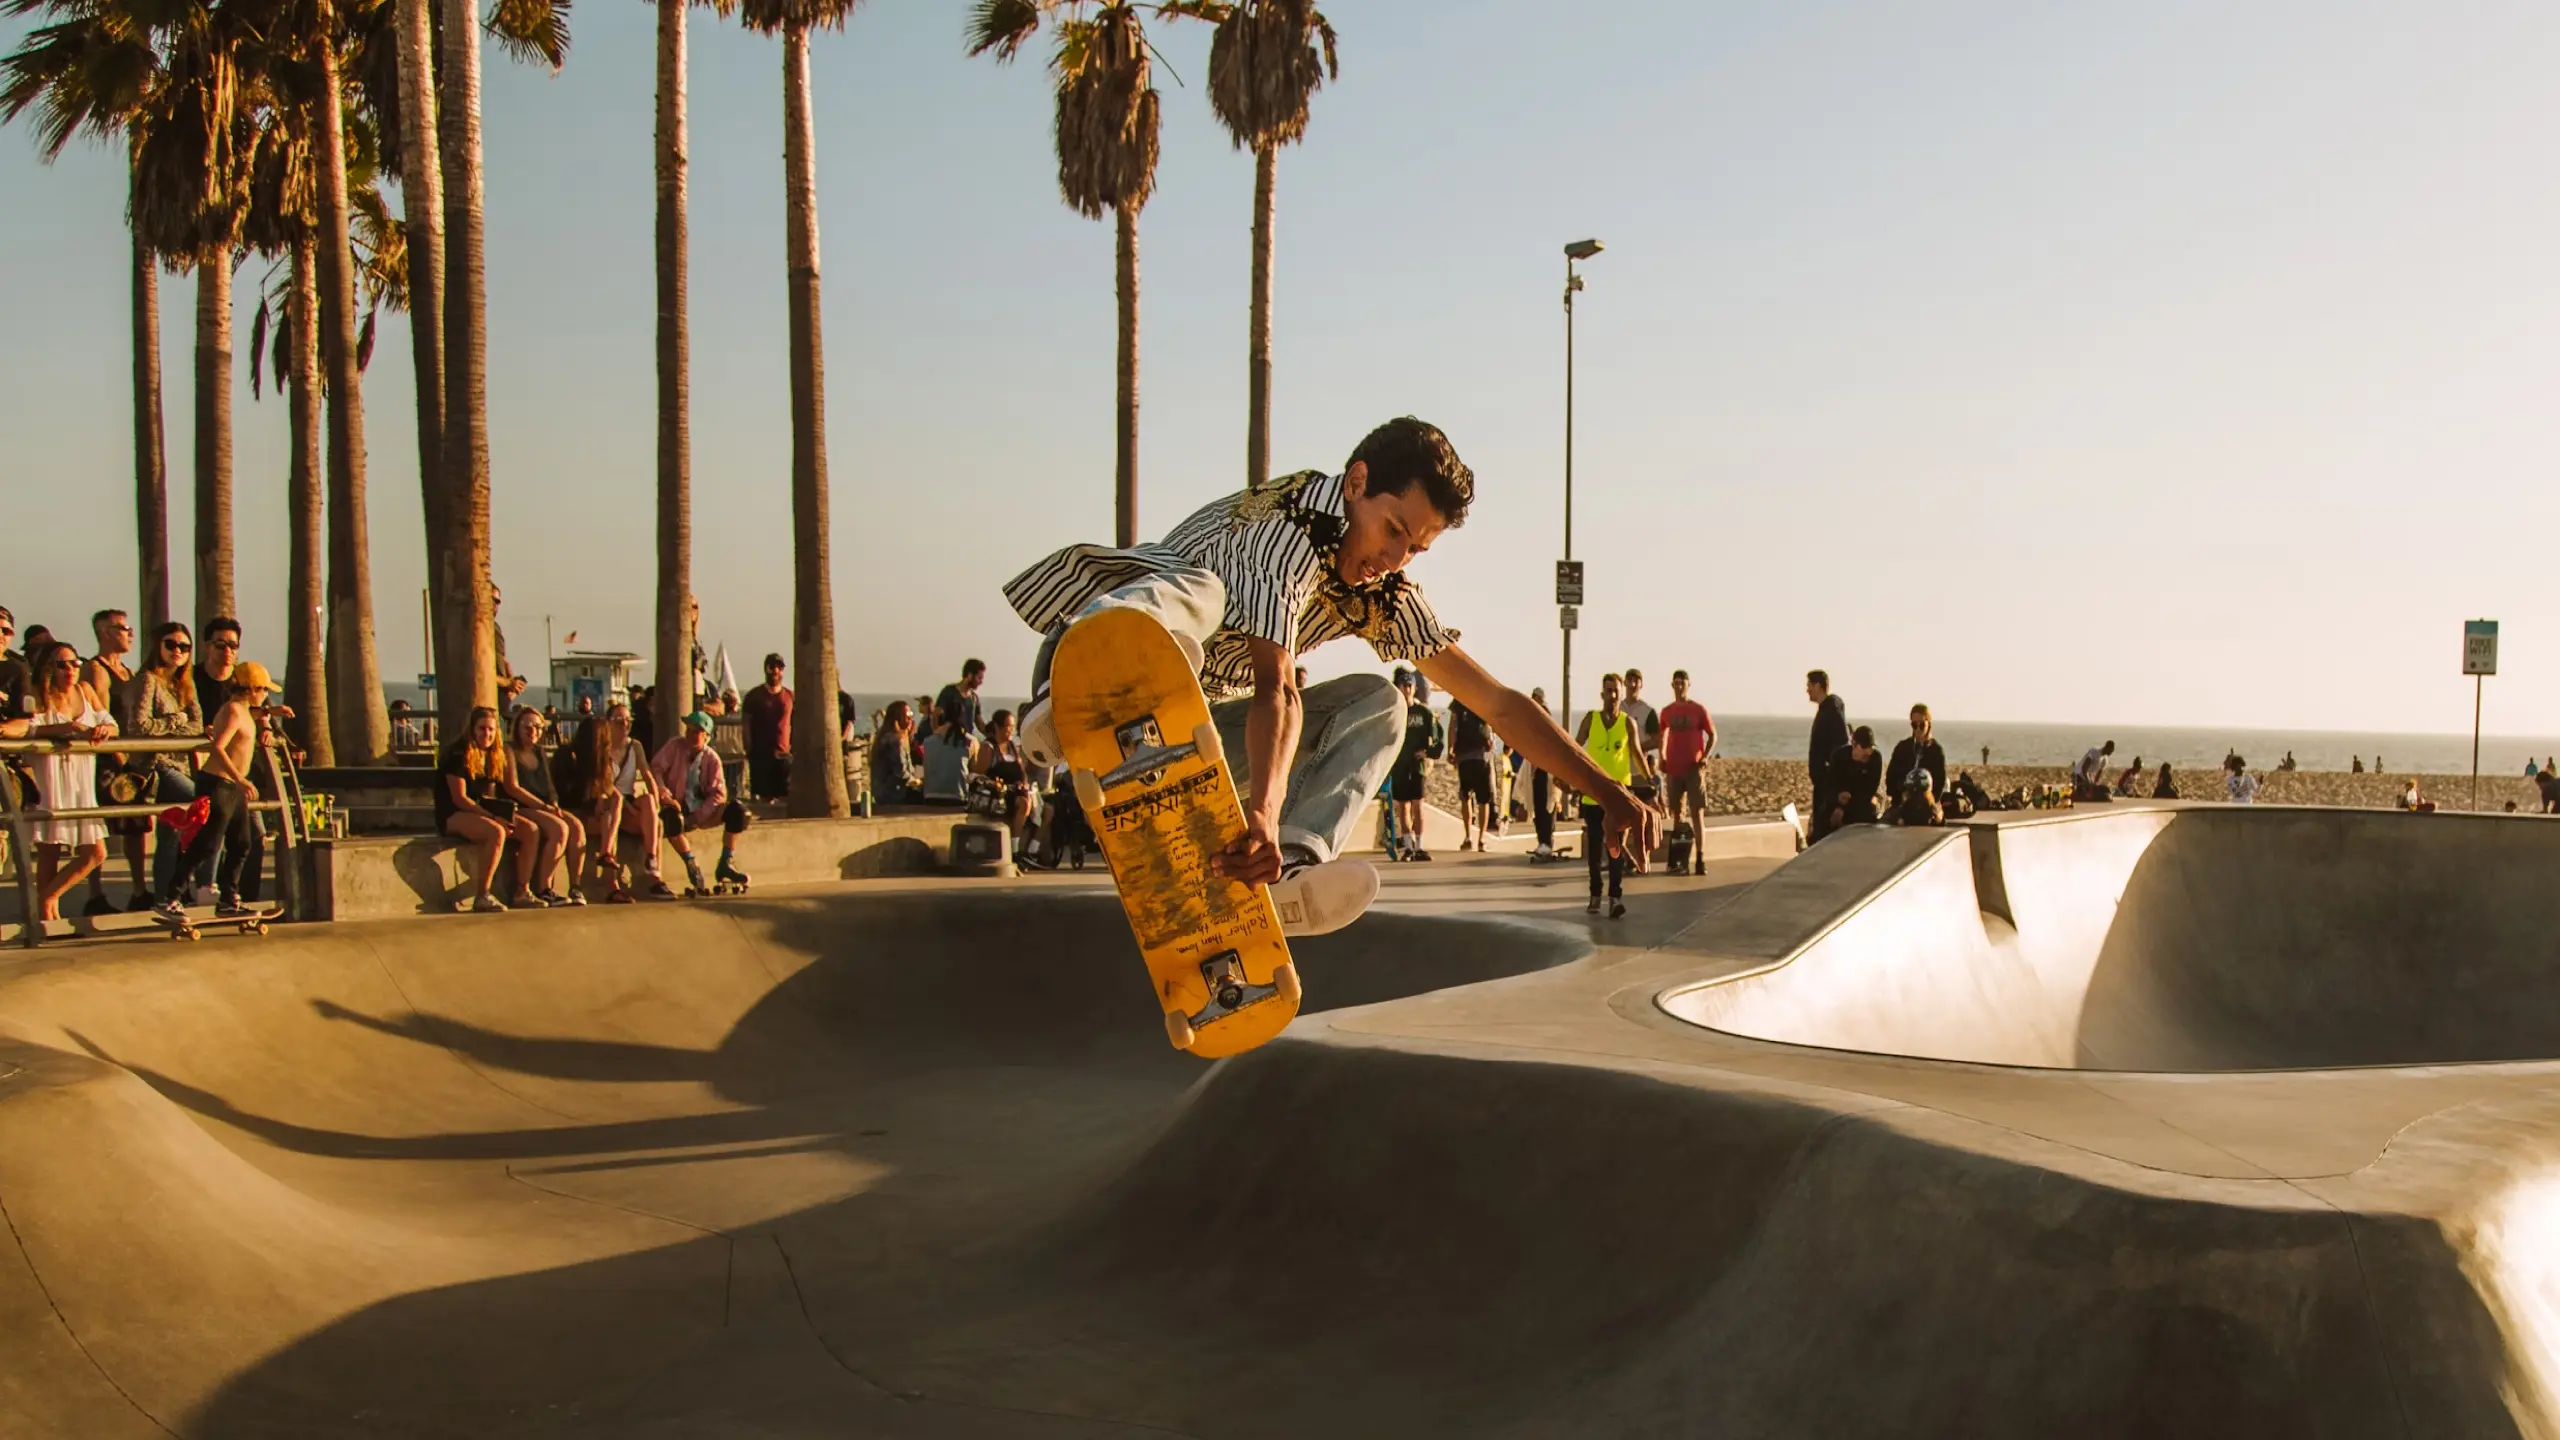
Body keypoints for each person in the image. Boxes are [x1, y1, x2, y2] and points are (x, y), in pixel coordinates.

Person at [1004, 416, 1659, 936]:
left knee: (1383, 705)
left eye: (1416, 547)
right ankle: (1078, 700)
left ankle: (1289, 869)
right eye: (1393, 528)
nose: (1393, 557)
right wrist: (1260, 805)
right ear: (1356, 483)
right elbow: (1277, 689)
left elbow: (1498, 705)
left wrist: (1607, 791)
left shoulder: (1384, 593)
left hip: (1188, 737)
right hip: (1088, 659)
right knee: (1199, 592)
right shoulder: (1288, 528)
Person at [156, 659, 285, 920]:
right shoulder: (234, 712)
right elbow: (218, 746)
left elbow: (254, 717)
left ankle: (229, 897)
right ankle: (171, 897)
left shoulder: (246, 711)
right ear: (251, 689)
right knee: (206, 844)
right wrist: (240, 779)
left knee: (242, 843)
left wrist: (273, 714)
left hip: (232, 787)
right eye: (264, 691)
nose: (266, 696)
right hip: (218, 784)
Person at [23, 641, 117, 922]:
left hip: (80, 778)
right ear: (49, 668)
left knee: (95, 852)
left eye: (75, 663)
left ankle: (47, 899)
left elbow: (111, 722)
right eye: (62, 664)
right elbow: (28, 728)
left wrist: (104, 729)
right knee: (49, 851)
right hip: (51, 775)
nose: (70, 669)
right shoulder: (39, 694)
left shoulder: (85, 691)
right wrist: (64, 728)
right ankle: (47, 917)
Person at [119, 622, 204, 910]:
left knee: (168, 835)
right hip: (157, 766)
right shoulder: (148, 681)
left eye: (184, 647)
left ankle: (167, 898)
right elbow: (138, 725)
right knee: (204, 804)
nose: (177, 651)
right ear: (158, 646)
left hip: (181, 765)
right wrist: (174, 722)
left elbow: (197, 726)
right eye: (171, 644)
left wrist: (175, 728)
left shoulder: (184, 685)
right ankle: (200, 885)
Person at [434, 704, 545, 912]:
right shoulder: (458, 754)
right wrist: (494, 818)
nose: (487, 734)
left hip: (482, 811)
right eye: (482, 729)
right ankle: (482, 895)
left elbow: (490, 796)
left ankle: (522, 890)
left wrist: (503, 815)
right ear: (472, 730)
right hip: (454, 814)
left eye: (491, 730)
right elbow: (460, 799)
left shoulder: (493, 755)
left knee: (530, 830)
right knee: (496, 832)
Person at [1571, 672, 1653, 917]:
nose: (1613, 695)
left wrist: (1650, 780)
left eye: (1616, 691)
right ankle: (1595, 894)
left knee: (1616, 847)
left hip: (1620, 795)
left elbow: (1637, 754)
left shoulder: (1628, 723)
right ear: (1602, 694)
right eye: (1609, 691)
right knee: (1595, 849)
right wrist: (1568, 777)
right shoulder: (1591, 719)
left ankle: (1615, 897)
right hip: (1593, 794)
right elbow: (1575, 748)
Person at [653, 711, 751, 894]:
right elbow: (656, 768)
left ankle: (726, 862)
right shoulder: (675, 746)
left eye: (696, 731)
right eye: (688, 729)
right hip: (676, 805)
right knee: (671, 819)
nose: (690, 734)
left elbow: (718, 795)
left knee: (738, 812)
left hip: (702, 809)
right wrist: (663, 791)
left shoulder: (712, 759)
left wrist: (698, 816)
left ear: (706, 736)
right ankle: (690, 862)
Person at [507, 708, 588, 906]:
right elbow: (512, 788)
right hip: (521, 806)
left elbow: (550, 786)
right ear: (517, 727)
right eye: (527, 726)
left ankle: (575, 887)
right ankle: (544, 887)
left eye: (537, 726)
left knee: (576, 827)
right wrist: (544, 806)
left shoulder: (540, 752)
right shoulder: (509, 750)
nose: (532, 730)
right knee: (558, 828)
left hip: (543, 805)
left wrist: (553, 803)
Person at [1657, 670, 1717, 873]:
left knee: (1697, 813)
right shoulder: (1666, 711)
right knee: (1677, 814)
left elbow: (1712, 735)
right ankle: (1679, 860)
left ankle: (1700, 858)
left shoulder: (1698, 710)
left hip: (1694, 768)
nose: (1679, 687)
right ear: (1672, 685)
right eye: (1676, 683)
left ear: (1688, 685)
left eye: (1682, 683)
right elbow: (1662, 735)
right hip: (1674, 769)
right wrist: (1662, 757)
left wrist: (1705, 757)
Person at [1387, 668, 1441, 860]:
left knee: (1418, 805)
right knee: (1404, 806)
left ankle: (1419, 846)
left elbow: (1437, 736)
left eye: (1410, 686)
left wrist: (1428, 752)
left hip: (1416, 766)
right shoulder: (1395, 712)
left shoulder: (1423, 712)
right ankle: (1408, 846)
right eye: (1404, 686)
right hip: (1400, 764)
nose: (1407, 689)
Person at [971, 708, 1039, 862]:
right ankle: (1015, 850)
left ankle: (1032, 850)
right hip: (997, 792)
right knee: (1024, 804)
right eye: (1008, 726)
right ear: (998, 727)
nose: (1011, 730)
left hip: (1015, 790)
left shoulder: (1012, 747)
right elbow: (978, 774)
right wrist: (994, 783)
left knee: (1043, 809)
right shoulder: (988, 747)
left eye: (1012, 727)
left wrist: (1024, 784)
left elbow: (1022, 772)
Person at [1443, 693, 1497, 852]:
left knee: (1480, 798)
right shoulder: (1461, 700)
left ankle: (1478, 838)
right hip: (1468, 753)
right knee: (1470, 796)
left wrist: (1451, 749)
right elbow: (1453, 725)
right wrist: (1451, 749)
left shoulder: (1481, 699)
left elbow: (1491, 721)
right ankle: (1472, 837)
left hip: (1479, 753)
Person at [742, 652, 794, 802]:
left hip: (783, 755)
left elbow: (796, 722)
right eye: (772, 667)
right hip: (760, 754)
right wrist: (748, 748)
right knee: (763, 798)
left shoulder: (790, 696)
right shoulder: (754, 696)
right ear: (766, 669)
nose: (776, 671)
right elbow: (746, 723)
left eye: (779, 667)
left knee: (785, 796)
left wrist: (793, 747)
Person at [1804, 670, 1849, 841]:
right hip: (1822, 782)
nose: (1807, 690)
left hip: (1827, 784)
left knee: (1823, 831)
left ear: (1818, 686)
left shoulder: (1832, 712)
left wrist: (1828, 773)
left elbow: (1840, 746)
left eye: (1809, 685)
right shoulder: (1825, 711)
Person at [1820, 725, 1884, 837]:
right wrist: (1837, 801)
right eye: (1863, 748)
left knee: (1869, 809)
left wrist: (1845, 808)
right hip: (1840, 800)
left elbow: (1870, 790)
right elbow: (1829, 785)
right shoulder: (1839, 757)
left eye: (1870, 748)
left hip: (1861, 801)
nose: (1867, 752)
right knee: (1824, 816)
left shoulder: (1875, 759)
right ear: (1854, 744)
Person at [1885, 704, 1947, 807]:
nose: (1918, 729)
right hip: (1902, 803)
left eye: (1922, 725)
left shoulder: (1936, 751)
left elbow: (1940, 781)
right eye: (1914, 725)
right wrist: (1898, 796)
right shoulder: (1902, 747)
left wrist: (1930, 801)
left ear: (1929, 724)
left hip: (1927, 804)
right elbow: (1891, 777)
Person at [1523, 686, 1559, 859]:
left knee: (1546, 806)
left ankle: (1547, 841)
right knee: (1538, 805)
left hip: (1545, 768)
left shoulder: (1544, 716)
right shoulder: (1532, 717)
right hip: (1536, 767)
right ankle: (1542, 841)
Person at [871, 701, 924, 803]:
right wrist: (917, 782)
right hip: (893, 793)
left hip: (881, 793)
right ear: (897, 719)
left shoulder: (883, 737)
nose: (911, 719)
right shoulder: (896, 741)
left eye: (911, 715)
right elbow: (901, 772)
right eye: (907, 716)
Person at [1620, 668, 1660, 788]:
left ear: (1641, 684)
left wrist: (1637, 747)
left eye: (1636, 681)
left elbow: (1657, 740)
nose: (1632, 684)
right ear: (1624, 683)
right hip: (1619, 768)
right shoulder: (1617, 708)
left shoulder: (1648, 711)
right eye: (1629, 680)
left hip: (1639, 770)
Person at [935, 659, 987, 745]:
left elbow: (980, 724)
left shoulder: (974, 698)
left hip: (967, 744)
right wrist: (937, 738)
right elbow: (936, 716)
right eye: (979, 678)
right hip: (949, 743)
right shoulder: (949, 692)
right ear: (970, 675)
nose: (981, 682)